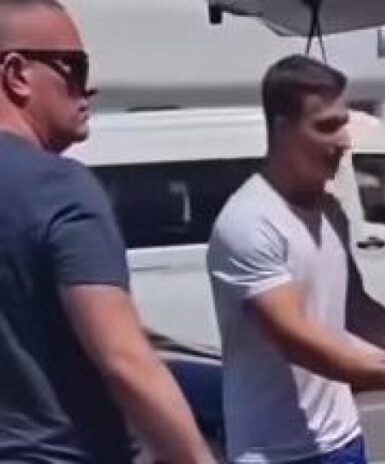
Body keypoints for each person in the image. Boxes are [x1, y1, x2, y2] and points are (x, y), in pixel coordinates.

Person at [207, 54, 385, 464]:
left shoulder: (330, 210)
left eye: (344, 122)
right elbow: (296, 340)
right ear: (282, 130)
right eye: (326, 126)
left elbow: (354, 309)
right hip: (276, 453)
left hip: (342, 440)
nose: (344, 140)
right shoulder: (249, 222)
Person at [0, 1, 212, 462]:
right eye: (74, 68)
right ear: (16, 74)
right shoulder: (59, 188)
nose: (87, 91)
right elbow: (125, 362)